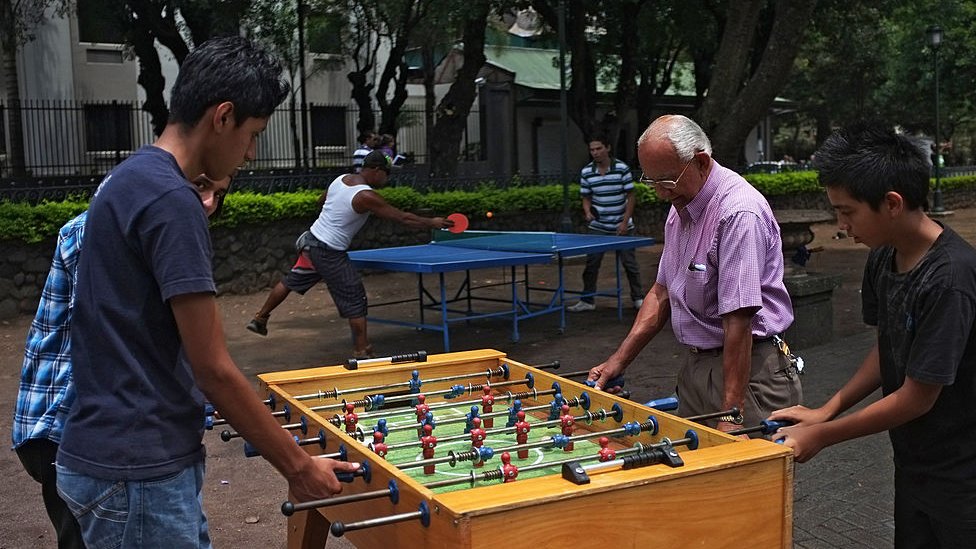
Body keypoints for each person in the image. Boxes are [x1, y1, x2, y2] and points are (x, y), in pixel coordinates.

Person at [54, 36, 360, 548]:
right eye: (253, 134)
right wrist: (299, 465)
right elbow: (213, 368)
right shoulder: (173, 202)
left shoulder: (127, 177)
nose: (251, 153)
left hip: (110, 456)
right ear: (222, 117)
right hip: (138, 471)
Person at [769, 122, 976, 546]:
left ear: (892, 203)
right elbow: (889, 348)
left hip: (963, 472)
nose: (841, 225)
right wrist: (826, 409)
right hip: (916, 462)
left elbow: (919, 396)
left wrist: (823, 435)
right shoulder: (884, 258)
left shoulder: (950, 278)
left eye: (848, 211)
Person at [11, 174, 228, 549]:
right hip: (66, 426)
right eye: (201, 186)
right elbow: (118, 338)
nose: (208, 202)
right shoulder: (105, 228)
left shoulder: (152, 222)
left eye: (220, 194)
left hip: (97, 427)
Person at [586, 114, 801, 432]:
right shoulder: (680, 209)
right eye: (652, 181)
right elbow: (661, 292)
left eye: (667, 181)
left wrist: (732, 411)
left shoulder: (738, 214)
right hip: (696, 366)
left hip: (749, 372)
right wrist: (619, 360)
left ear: (701, 161)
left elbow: (738, 321)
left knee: (745, 478)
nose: (660, 193)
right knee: (699, 476)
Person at [246, 150, 452, 357]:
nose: (387, 178)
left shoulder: (341, 179)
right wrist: (431, 222)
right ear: (376, 170)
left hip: (312, 241)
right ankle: (362, 350)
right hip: (329, 252)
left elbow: (321, 201)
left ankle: (260, 318)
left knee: (291, 280)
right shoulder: (365, 195)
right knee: (355, 296)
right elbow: (402, 218)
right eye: (386, 173)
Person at [567, 134, 644, 312]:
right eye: (592, 149)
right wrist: (587, 212)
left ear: (607, 148)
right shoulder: (587, 172)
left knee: (630, 264)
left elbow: (631, 197)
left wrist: (624, 222)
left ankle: (638, 298)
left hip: (621, 224)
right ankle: (587, 300)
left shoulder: (621, 169)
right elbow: (586, 197)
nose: (595, 152)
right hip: (598, 227)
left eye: (598, 148)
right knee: (591, 264)